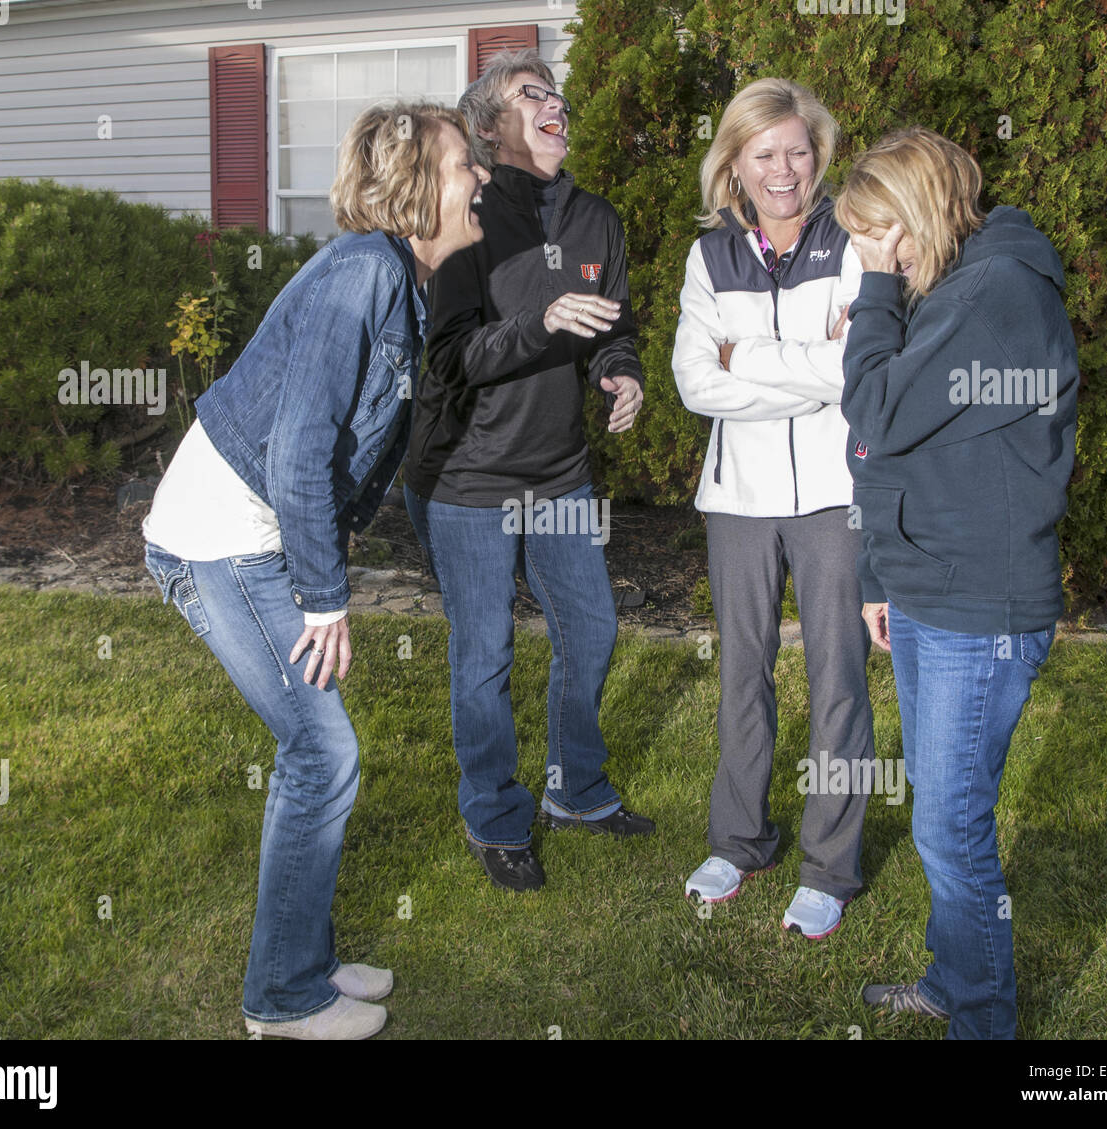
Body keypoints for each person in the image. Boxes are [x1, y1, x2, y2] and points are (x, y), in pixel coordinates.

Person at [141, 102, 490, 1039]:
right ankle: (283, 999)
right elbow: (299, 452)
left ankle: (308, 957)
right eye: (464, 166)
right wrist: (323, 599)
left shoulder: (401, 282)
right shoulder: (361, 275)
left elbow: (352, 454)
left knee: (318, 748)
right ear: (417, 188)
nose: (480, 181)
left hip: (251, 525)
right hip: (220, 533)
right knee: (321, 750)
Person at [835, 126, 1078, 1038]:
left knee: (949, 828)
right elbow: (884, 452)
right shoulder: (952, 289)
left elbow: (877, 408)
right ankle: (955, 981)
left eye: (875, 231)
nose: (868, 251)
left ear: (920, 215)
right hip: (929, 587)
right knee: (946, 819)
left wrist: (873, 290)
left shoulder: (998, 292)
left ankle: (984, 1022)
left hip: (982, 604)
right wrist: (877, 571)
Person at [402, 49, 651, 893]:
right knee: (485, 656)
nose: (555, 104)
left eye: (557, 92)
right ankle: (494, 814)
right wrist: (541, 324)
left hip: (561, 474)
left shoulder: (597, 220)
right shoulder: (467, 217)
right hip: (469, 477)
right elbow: (450, 357)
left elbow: (610, 326)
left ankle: (576, 790)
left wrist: (620, 370)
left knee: (592, 629)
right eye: (529, 94)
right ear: (488, 125)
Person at [671, 77, 876, 939]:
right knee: (742, 673)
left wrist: (746, 355)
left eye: (797, 149)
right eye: (765, 153)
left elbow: (855, 369)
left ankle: (831, 865)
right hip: (739, 502)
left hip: (836, 496)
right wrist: (803, 363)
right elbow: (692, 381)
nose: (783, 168)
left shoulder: (855, 237)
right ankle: (741, 839)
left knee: (838, 678)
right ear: (736, 164)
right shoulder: (709, 254)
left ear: (817, 155)